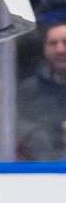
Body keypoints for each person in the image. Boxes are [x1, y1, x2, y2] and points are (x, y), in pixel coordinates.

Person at [18, 22, 66, 156]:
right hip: (38, 170)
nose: (60, 50)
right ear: (44, 49)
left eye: (65, 42)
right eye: (53, 43)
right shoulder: (28, 90)